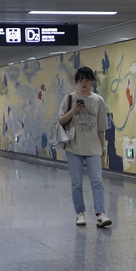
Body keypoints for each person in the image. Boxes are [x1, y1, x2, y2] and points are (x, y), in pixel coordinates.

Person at [57, 67, 112, 228]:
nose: (84, 84)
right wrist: (74, 110)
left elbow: (101, 127)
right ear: (77, 82)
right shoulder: (69, 98)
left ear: (92, 81)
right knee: (77, 183)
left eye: (87, 80)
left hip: (93, 147)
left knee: (97, 181)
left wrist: (102, 148)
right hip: (74, 147)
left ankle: (100, 214)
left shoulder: (98, 100)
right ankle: (79, 213)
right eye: (80, 80)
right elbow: (60, 121)